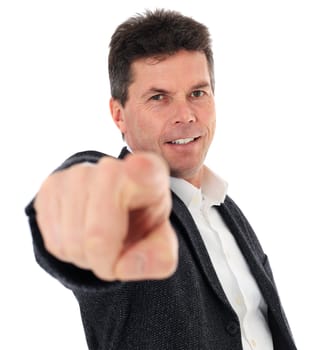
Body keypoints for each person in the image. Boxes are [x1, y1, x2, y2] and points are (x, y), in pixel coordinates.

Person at [25, 9, 297, 350]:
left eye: (198, 93)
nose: (185, 115)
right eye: (159, 98)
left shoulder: (228, 212)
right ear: (118, 114)